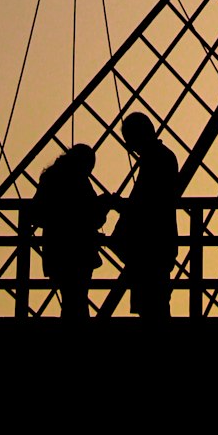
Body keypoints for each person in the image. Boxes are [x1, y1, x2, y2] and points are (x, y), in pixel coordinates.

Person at [113, 112, 179, 318]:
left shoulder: (154, 160)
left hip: (149, 247)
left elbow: (145, 206)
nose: (129, 147)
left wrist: (120, 207)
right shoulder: (163, 157)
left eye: (129, 141)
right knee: (156, 307)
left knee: (152, 308)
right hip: (159, 245)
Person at [31, 143, 105, 319]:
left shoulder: (51, 177)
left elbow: (36, 212)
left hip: (56, 250)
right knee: (78, 300)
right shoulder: (81, 181)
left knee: (71, 300)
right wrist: (103, 207)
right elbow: (93, 218)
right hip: (80, 250)